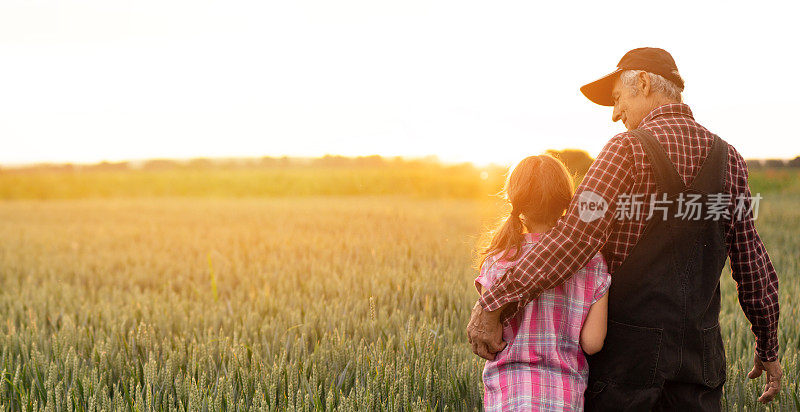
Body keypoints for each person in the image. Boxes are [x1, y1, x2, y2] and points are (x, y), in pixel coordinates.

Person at [466, 47, 782, 410]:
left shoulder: (625, 151)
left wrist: (495, 301)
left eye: (617, 100)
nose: (616, 115)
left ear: (644, 83)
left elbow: (574, 238)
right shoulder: (731, 161)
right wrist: (768, 344)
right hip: (700, 359)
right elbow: (751, 260)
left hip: (628, 362)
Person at [475, 154, 611, 411]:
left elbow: (488, 335)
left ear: (515, 200)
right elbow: (593, 343)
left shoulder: (497, 259)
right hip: (563, 395)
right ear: (566, 201)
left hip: (508, 395)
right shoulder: (591, 261)